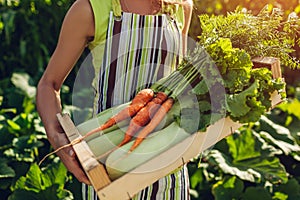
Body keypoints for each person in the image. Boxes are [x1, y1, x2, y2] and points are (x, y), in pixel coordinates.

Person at [36, 0, 193, 199]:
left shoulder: (180, 6)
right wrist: (56, 135)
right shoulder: (90, 9)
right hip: (105, 166)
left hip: (166, 171)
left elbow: (179, 80)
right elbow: (48, 84)